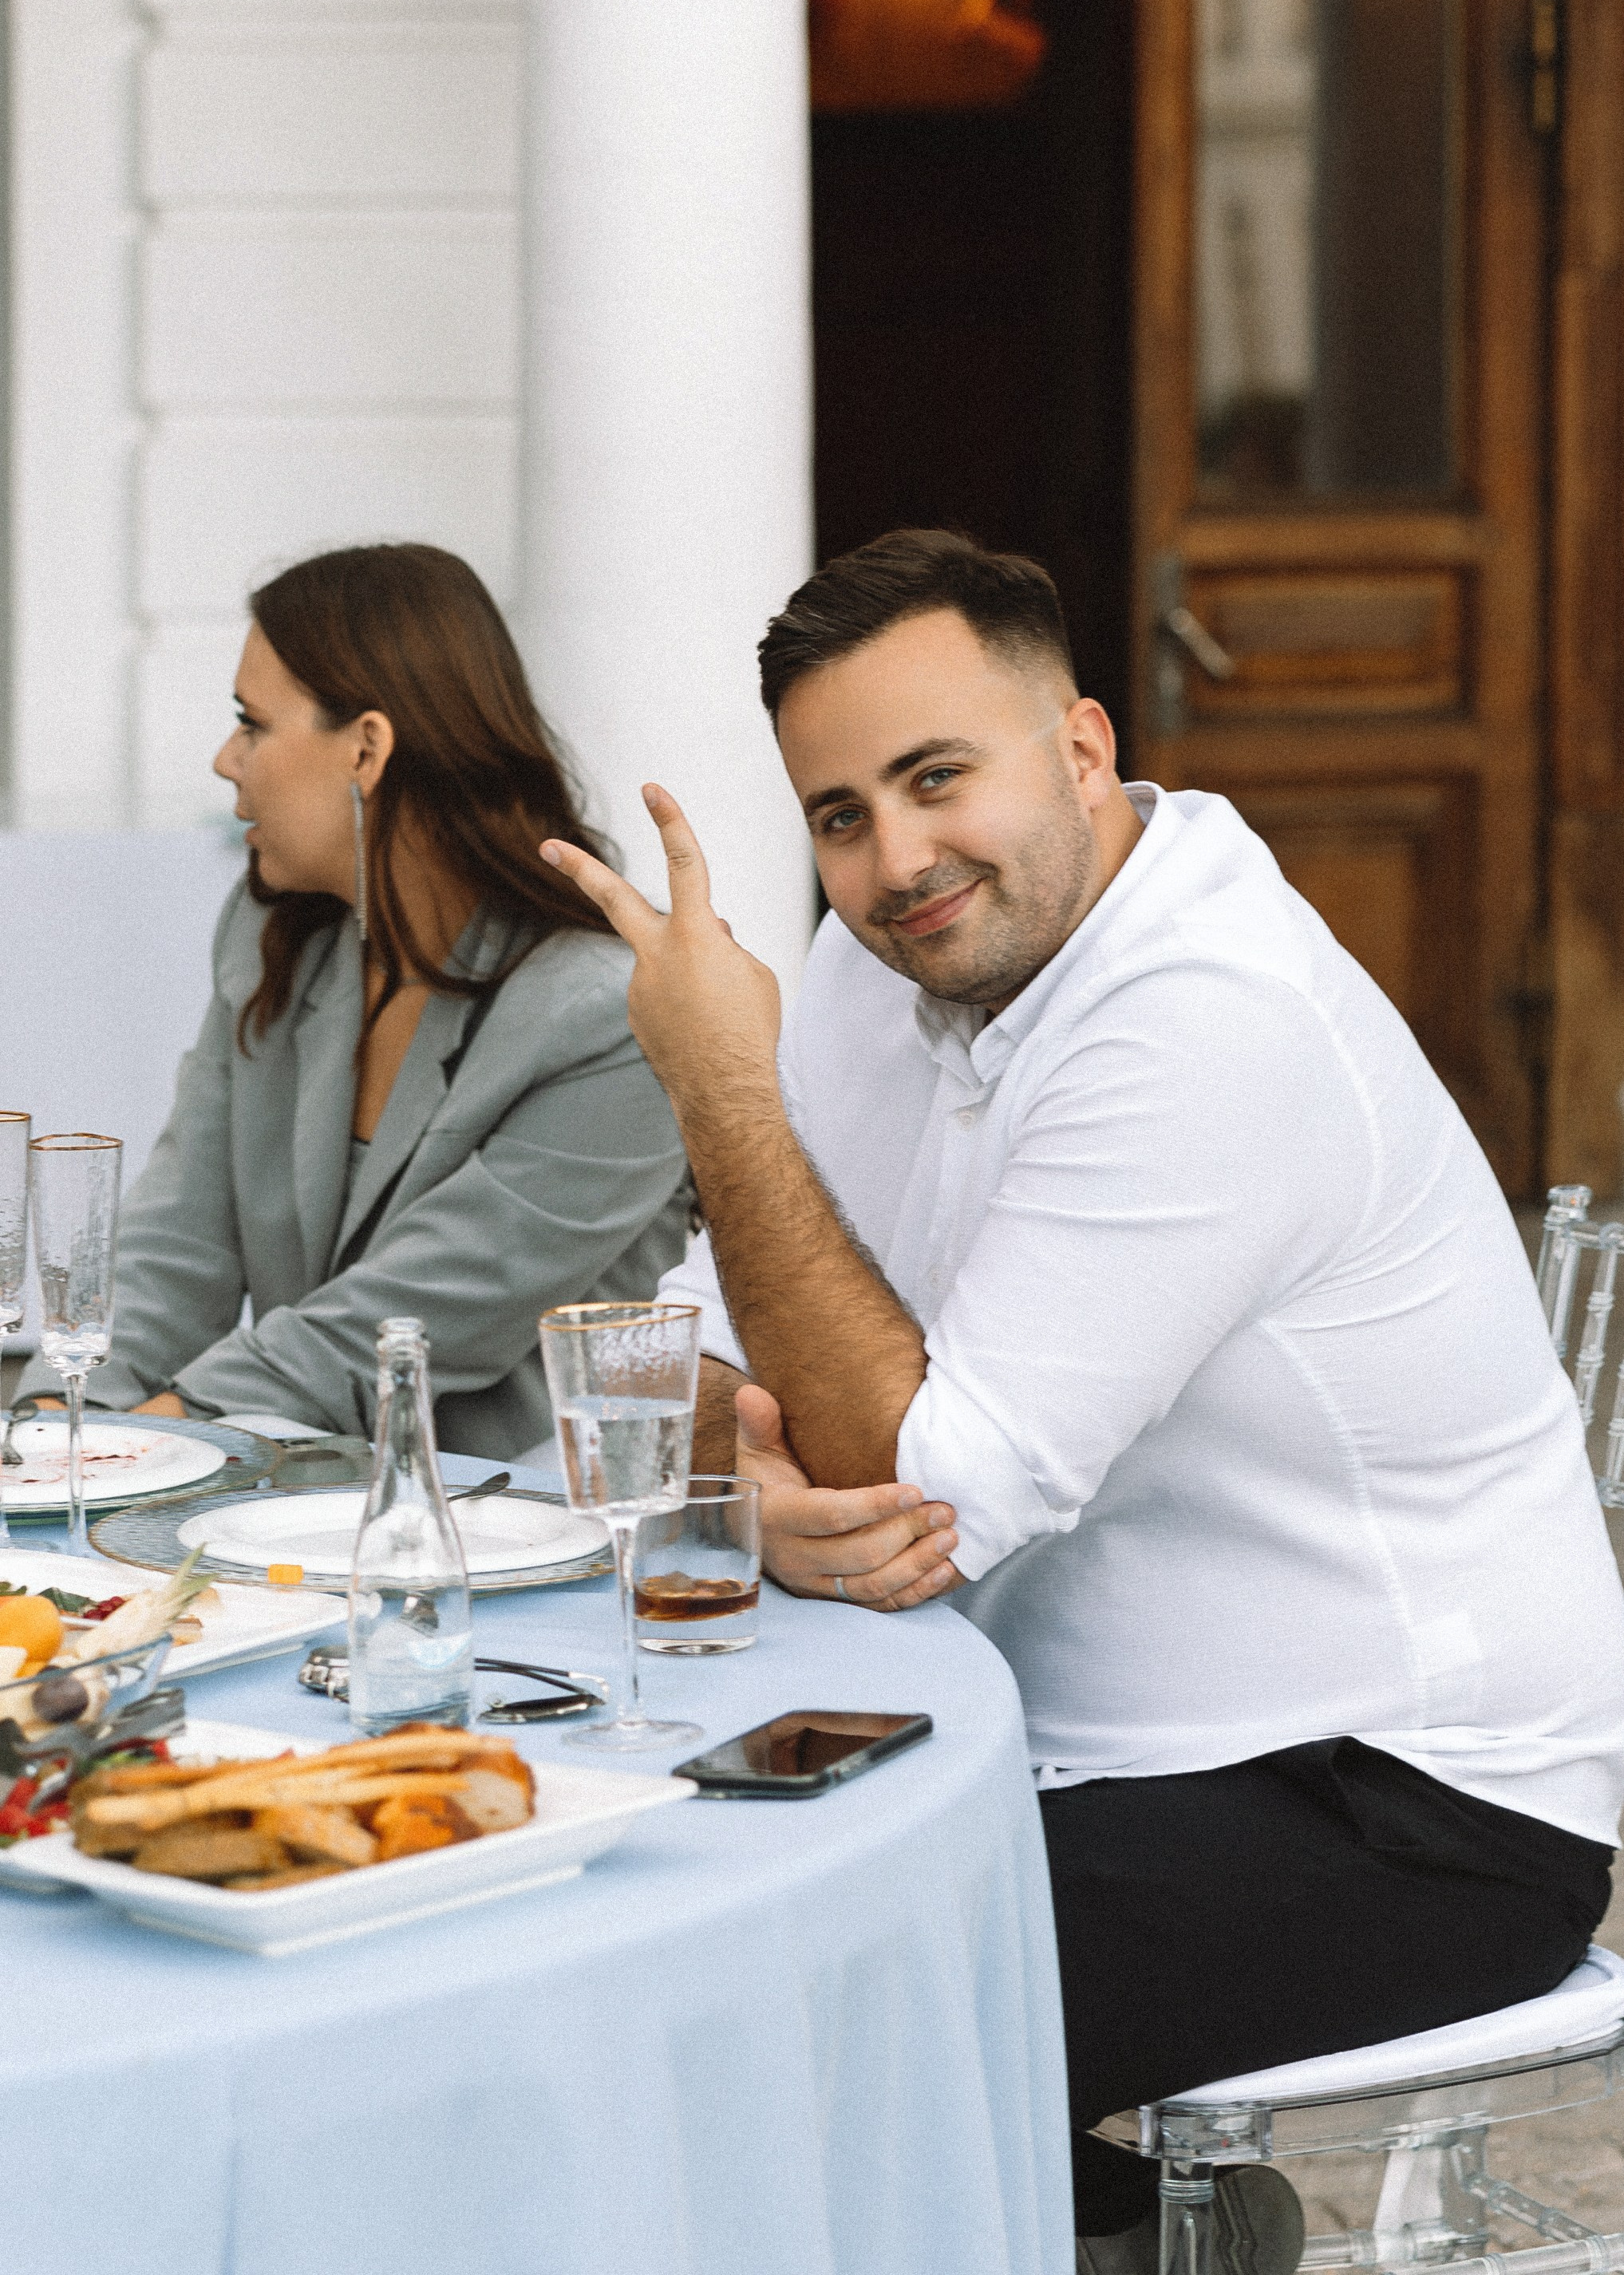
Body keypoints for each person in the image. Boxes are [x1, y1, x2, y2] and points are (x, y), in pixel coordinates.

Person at [539, 528, 1624, 2270]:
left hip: (1395, 1799)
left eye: (936, 777)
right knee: (619, 1881)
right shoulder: (882, 958)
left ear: (1084, 746)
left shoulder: (1209, 1014)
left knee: (781, 1983)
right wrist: (763, 1488)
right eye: (839, 814)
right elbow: (674, 1352)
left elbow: (928, 1500)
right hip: (1045, 1730)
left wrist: (722, 1083)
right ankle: (1119, 2232)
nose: (896, 859)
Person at [18, 543, 690, 1456]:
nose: (225, 759)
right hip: (286, 1507)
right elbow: (177, 1244)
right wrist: (56, 1419)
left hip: (520, 1517)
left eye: (251, 723)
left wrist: (126, 1450)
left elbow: (394, 1329)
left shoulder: (612, 1015)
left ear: (367, 748)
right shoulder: (275, 941)